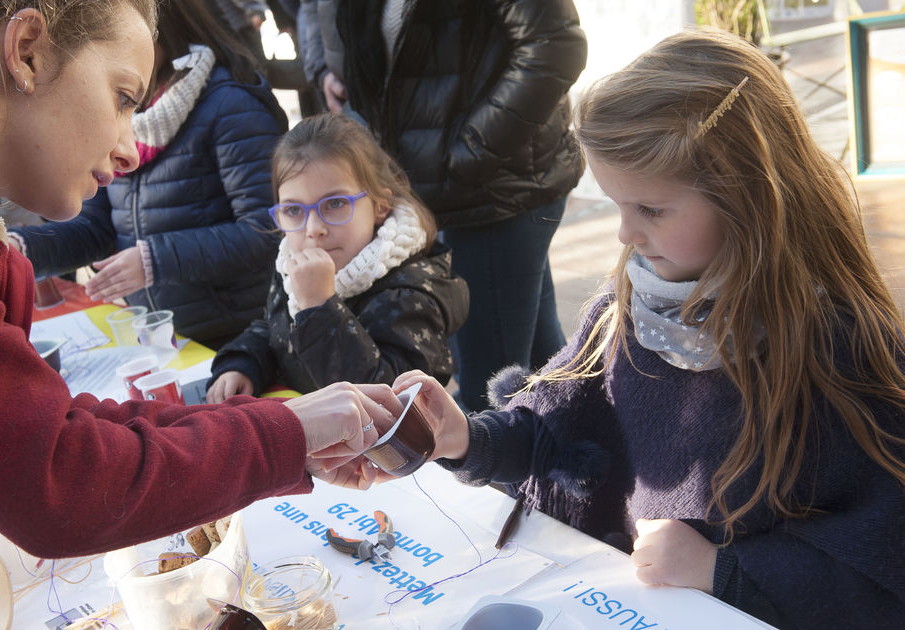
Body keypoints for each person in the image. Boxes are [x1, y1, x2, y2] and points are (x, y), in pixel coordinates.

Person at [0, 2, 395, 627]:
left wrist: (284, 427)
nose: (130, 150)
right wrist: (281, 435)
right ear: (26, 51)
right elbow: (52, 478)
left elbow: (49, 426)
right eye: (124, 97)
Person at [374, 30, 905, 628]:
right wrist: (465, 438)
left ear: (748, 197)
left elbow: (879, 560)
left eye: (651, 209)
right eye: (616, 205)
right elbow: (558, 434)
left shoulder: (838, 345)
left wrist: (720, 568)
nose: (626, 235)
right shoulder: (626, 304)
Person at [334, 0, 588, 412]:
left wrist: (468, 154)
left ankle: (542, 467)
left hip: (492, 193)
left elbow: (555, 44)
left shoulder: (471, 170)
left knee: (491, 396)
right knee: (543, 367)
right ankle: (583, 459)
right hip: (450, 189)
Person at [8, 0, 286, 348]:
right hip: (162, 338)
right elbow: (96, 230)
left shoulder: (231, 104)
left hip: (241, 340)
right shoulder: (124, 116)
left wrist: (156, 258)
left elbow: (269, 229)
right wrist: (21, 248)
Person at [206, 113, 469, 402]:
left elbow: (393, 406)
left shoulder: (408, 294)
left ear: (380, 206)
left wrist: (319, 307)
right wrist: (244, 364)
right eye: (293, 210)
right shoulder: (293, 264)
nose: (313, 229)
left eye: (334, 204)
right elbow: (274, 330)